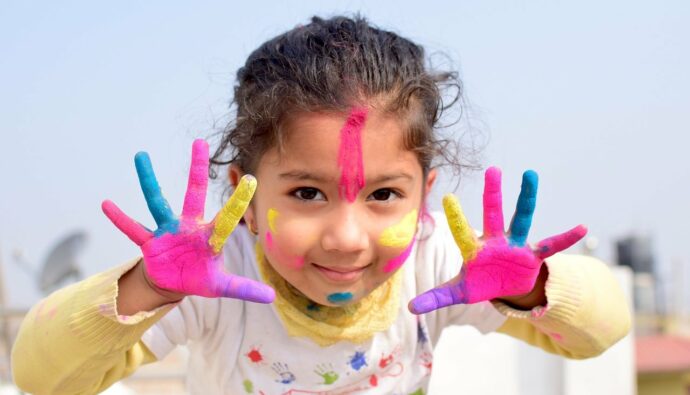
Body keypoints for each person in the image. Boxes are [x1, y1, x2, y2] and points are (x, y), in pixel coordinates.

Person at [11, 15, 630, 395]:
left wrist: (529, 290)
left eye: (385, 195)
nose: (347, 237)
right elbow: (43, 377)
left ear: (426, 196)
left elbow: (603, 330)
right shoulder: (215, 277)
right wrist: (148, 286)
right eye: (307, 193)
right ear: (244, 197)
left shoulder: (440, 260)